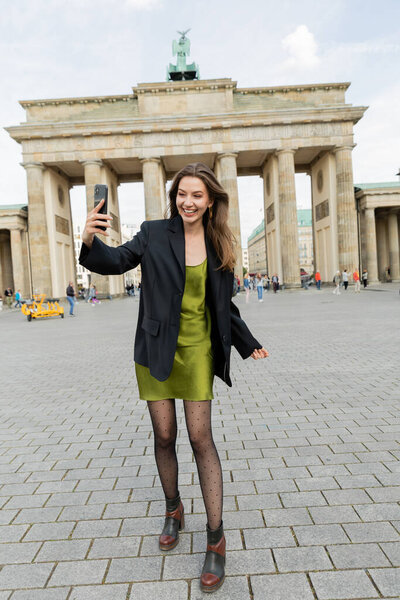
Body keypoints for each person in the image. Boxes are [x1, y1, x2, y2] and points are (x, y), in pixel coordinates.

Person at [79, 162, 268, 593]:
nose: (188, 201)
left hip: (198, 351)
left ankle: (216, 538)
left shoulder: (221, 244)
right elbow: (115, 261)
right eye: (182, 193)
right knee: (164, 435)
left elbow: (223, 306)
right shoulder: (153, 232)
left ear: (211, 200)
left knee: (201, 438)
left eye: (197, 195)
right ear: (174, 197)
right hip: (155, 349)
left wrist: (246, 341)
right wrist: (88, 237)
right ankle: (173, 508)